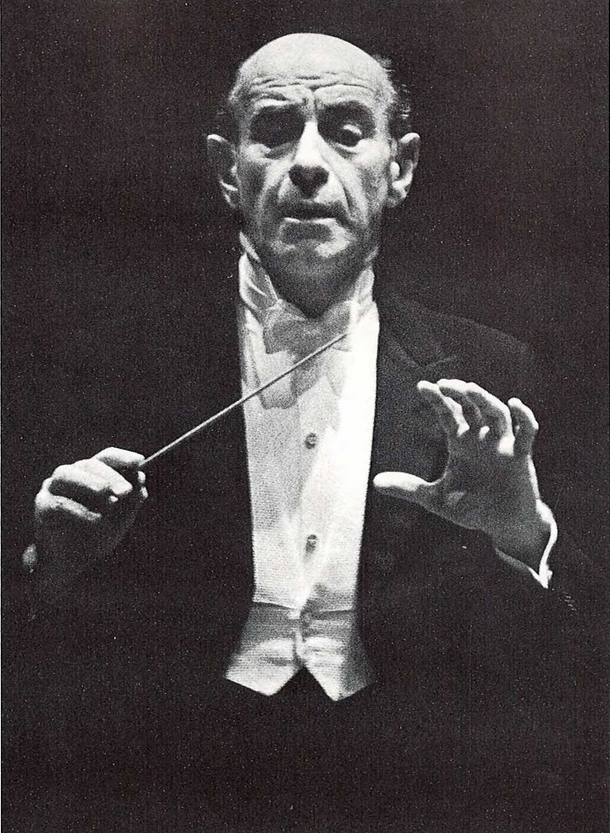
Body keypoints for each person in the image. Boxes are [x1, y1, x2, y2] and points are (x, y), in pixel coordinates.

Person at [6, 33, 600, 833]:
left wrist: (520, 534)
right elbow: (37, 652)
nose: (310, 163)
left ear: (400, 168)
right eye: (276, 132)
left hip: (412, 785)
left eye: (347, 131)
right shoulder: (109, 361)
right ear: (228, 170)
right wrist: (53, 562)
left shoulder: (496, 370)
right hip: (172, 780)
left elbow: (573, 670)